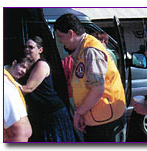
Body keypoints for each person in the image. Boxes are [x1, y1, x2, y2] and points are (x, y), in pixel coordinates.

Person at [54, 13, 126, 142]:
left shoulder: (91, 51)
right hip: (96, 117)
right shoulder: (83, 50)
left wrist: (79, 113)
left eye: (60, 36)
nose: (60, 41)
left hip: (105, 121)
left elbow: (97, 89)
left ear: (71, 33)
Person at [20, 36, 75, 142]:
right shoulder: (28, 66)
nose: (27, 49)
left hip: (53, 114)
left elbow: (28, 88)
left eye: (31, 47)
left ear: (40, 50)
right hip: (42, 115)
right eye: (25, 47)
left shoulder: (41, 65)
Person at [4, 54, 33, 142]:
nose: (23, 71)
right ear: (14, 63)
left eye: (26, 70)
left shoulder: (12, 83)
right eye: (22, 66)